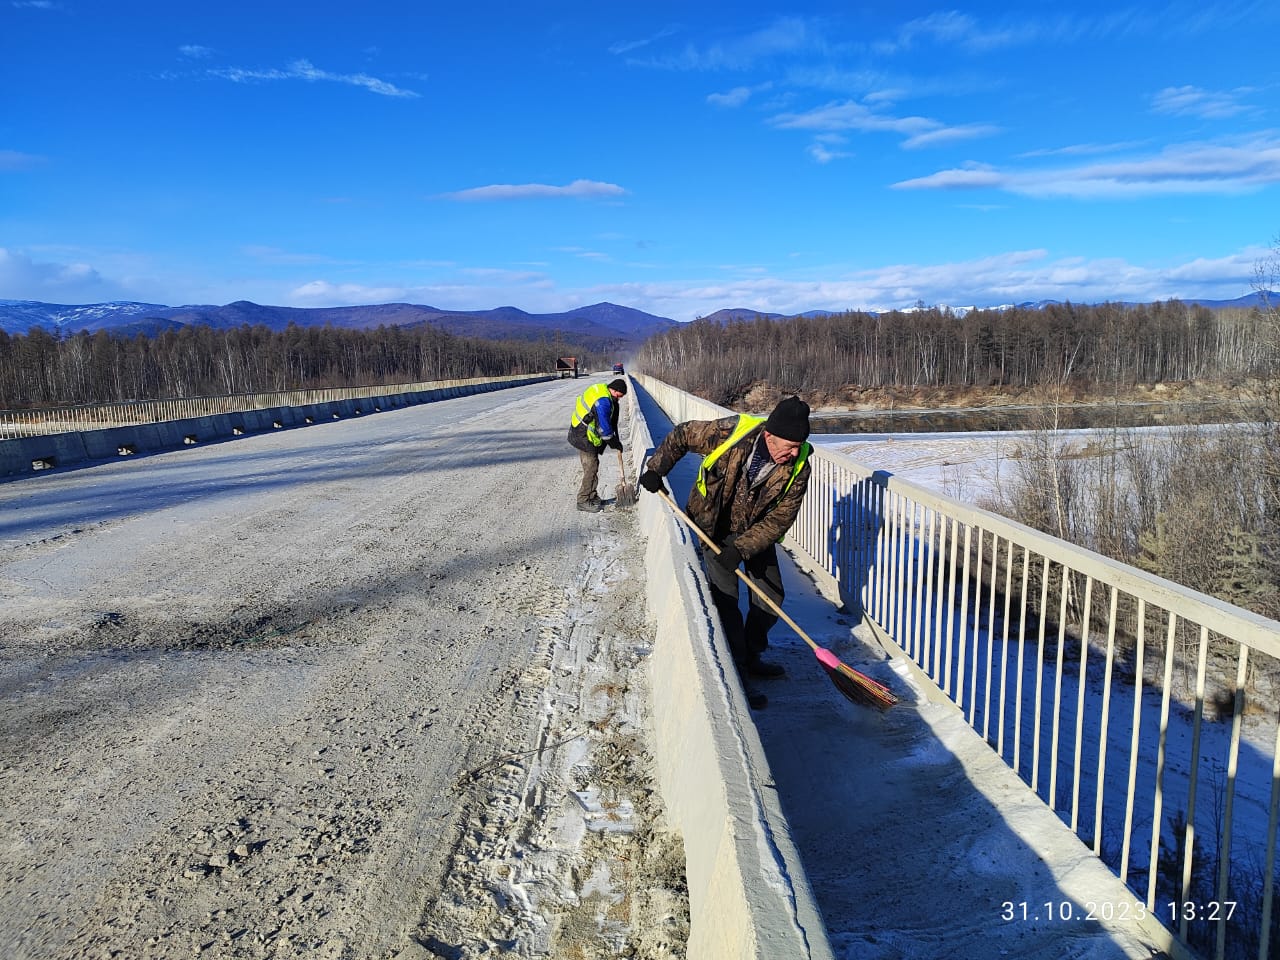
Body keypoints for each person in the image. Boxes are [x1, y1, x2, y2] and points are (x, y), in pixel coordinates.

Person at [637, 396, 812, 709]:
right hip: (713, 525)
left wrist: (741, 548)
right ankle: (737, 671)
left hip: (755, 533)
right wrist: (656, 468)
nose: (795, 453)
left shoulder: (799, 467)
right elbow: (682, 434)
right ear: (769, 436)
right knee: (726, 600)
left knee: (771, 596)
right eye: (790, 445)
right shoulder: (732, 433)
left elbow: (779, 519)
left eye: (800, 445)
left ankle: (753, 653)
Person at [567, 377, 628, 512]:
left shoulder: (603, 391)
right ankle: (582, 500)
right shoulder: (603, 402)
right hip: (583, 436)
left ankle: (592, 496)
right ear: (614, 390)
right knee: (591, 467)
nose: (620, 398)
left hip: (580, 431)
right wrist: (615, 443)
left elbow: (610, 422)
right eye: (620, 395)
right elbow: (604, 430)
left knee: (593, 466)